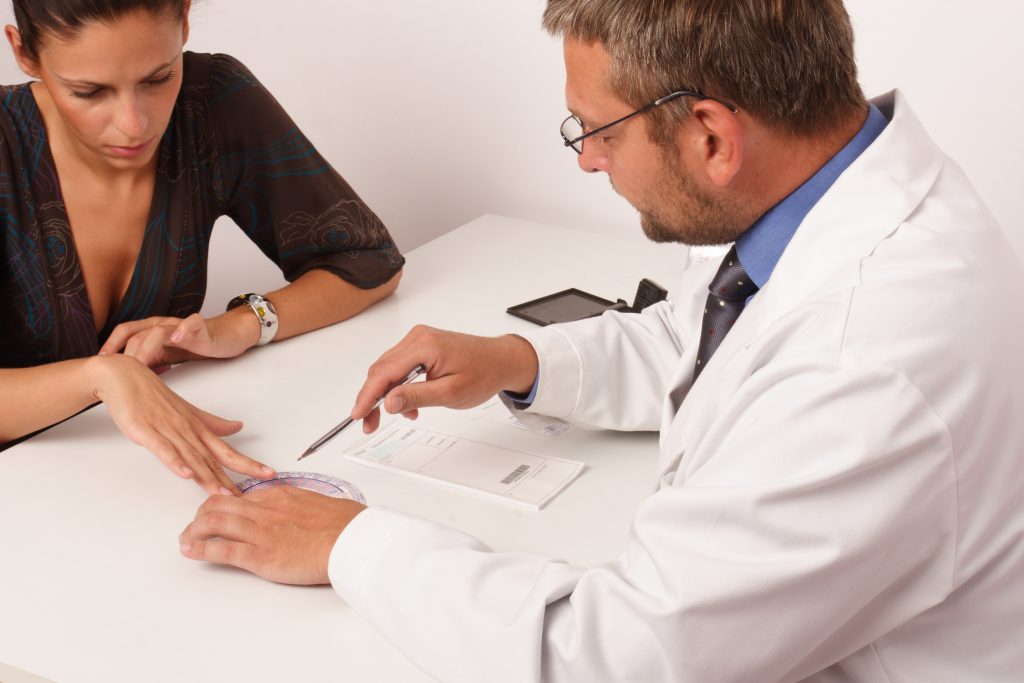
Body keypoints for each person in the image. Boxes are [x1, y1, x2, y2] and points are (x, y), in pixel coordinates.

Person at [180, 0, 1024, 680]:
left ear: (711, 137)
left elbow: (623, 656)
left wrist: (349, 541)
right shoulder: (825, 192)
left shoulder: (870, 356)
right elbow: (703, 332)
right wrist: (521, 361)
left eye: (600, 132)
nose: (588, 161)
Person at [0, 0, 404, 494]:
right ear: (24, 52)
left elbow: (368, 260)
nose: (134, 124)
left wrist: (241, 325)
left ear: (186, 20)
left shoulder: (210, 99)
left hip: (135, 484)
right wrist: (101, 377)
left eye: (157, 79)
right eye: (89, 92)